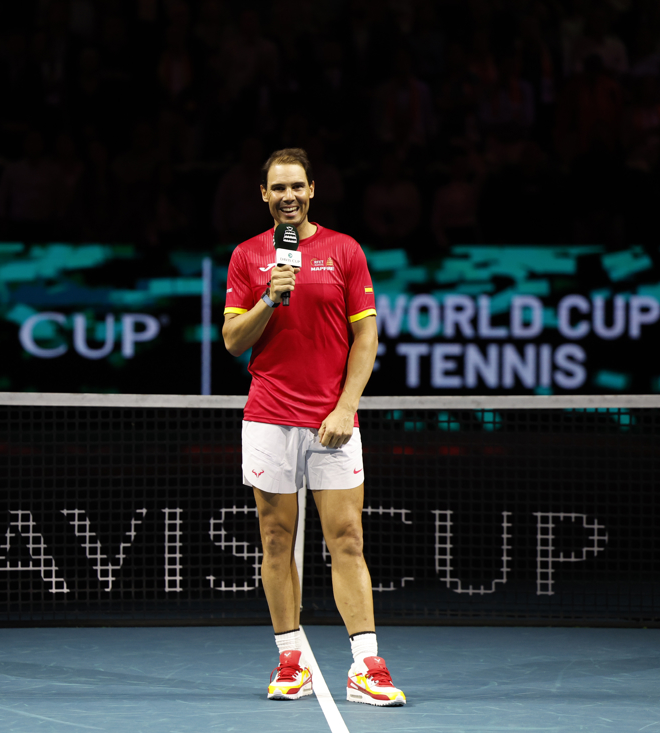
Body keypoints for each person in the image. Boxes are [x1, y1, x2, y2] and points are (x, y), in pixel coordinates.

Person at [221, 148, 405, 707]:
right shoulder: (247, 257)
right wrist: (269, 300)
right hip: (269, 417)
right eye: (278, 189)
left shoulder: (345, 250)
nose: (289, 197)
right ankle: (290, 658)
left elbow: (366, 338)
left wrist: (346, 406)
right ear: (264, 195)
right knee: (276, 539)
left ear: (312, 189)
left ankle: (366, 666)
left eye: (297, 186)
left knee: (347, 538)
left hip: (331, 420)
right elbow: (233, 342)